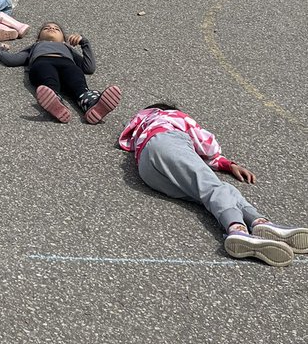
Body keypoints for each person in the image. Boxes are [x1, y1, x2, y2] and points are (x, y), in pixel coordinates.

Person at [118, 103, 307, 267]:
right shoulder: (172, 116)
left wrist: (226, 165)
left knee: (214, 193)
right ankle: (237, 229)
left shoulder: (141, 125)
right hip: (167, 143)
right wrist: (226, 162)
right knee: (213, 189)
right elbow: (206, 145)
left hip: (147, 170)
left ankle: (258, 222)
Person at [0, 22, 121, 124]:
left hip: (68, 65)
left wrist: (84, 43)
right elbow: (12, 60)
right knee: (48, 77)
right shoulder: (35, 46)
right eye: (46, 28)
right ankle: (55, 101)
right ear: (38, 38)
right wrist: (2, 50)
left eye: (56, 29)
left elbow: (89, 67)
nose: (51, 28)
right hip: (42, 63)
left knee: (77, 81)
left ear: (64, 40)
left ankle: (92, 104)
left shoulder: (67, 48)